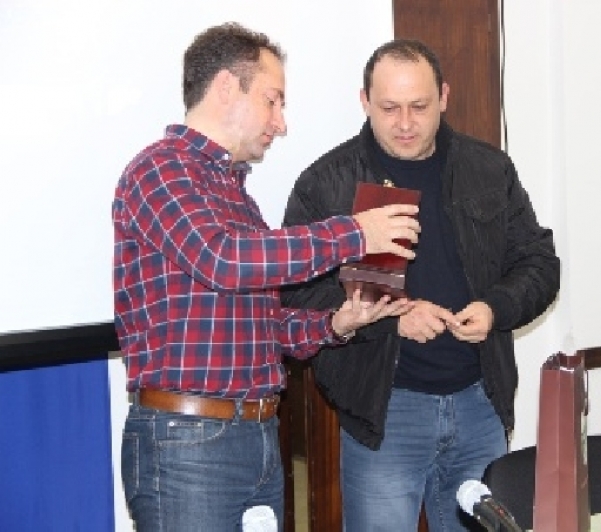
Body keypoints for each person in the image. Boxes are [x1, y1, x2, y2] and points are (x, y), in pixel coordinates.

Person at [112, 23, 421, 532]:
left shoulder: (237, 197)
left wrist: (337, 324)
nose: (281, 123)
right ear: (226, 87)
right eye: (272, 101)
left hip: (256, 436)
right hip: (188, 442)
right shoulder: (160, 171)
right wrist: (356, 232)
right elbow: (224, 261)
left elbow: (265, 327)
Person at [282, 39, 561, 532]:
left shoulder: (488, 169)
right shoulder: (326, 184)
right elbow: (298, 295)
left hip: (480, 404)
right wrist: (393, 316)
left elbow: (539, 263)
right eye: (389, 108)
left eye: (419, 106)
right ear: (365, 101)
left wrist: (495, 308)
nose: (406, 123)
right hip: (385, 412)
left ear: (444, 98)